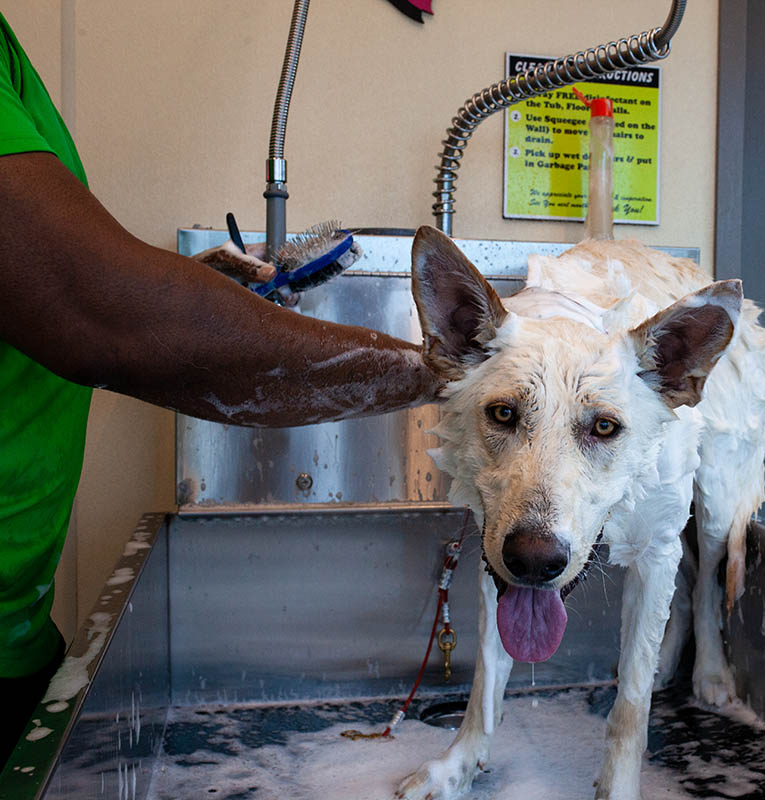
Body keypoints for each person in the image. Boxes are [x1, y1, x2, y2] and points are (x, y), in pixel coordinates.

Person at [0, 13, 441, 760]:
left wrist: (189, 292)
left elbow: (38, 287)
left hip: (16, 629)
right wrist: (433, 371)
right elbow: (102, 314)